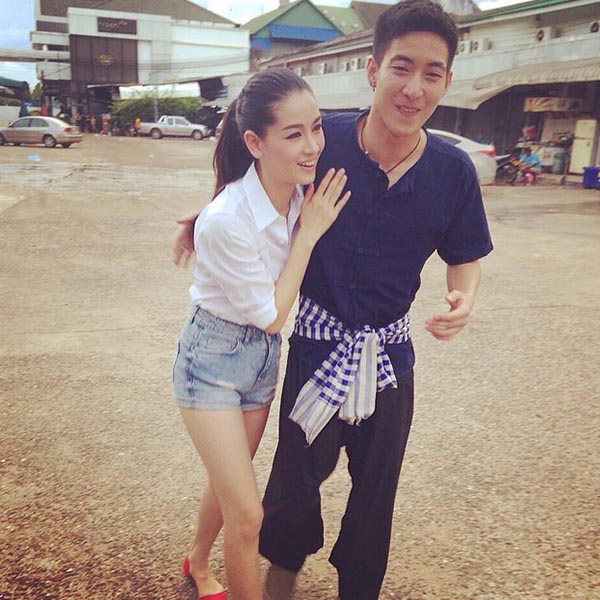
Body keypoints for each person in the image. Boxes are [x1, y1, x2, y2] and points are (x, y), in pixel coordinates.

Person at [173, 2, 493, 598]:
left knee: (376, 492)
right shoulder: (325, 140)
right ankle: (279, 581)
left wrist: (464, 297)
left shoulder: (453, 172)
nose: (413, 88)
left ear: (448, 81)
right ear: (373, 69)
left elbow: (465, 254)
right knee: (293, 483)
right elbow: (261, 171)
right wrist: (204, 216)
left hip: (391, 357)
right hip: (315, 347)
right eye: (401, 67)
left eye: (431, 73)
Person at [171, 67, 350, 600]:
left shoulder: (295, 187)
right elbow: (271, 314)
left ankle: (196, 557)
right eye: (294, 134)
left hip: (261, 360)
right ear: (255, 142)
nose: (312, 145)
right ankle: (207, 570)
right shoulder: (227, 220)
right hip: (212, 361)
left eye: (316, 128)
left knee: (230, 483)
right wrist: (308, 235)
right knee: (248, 516)